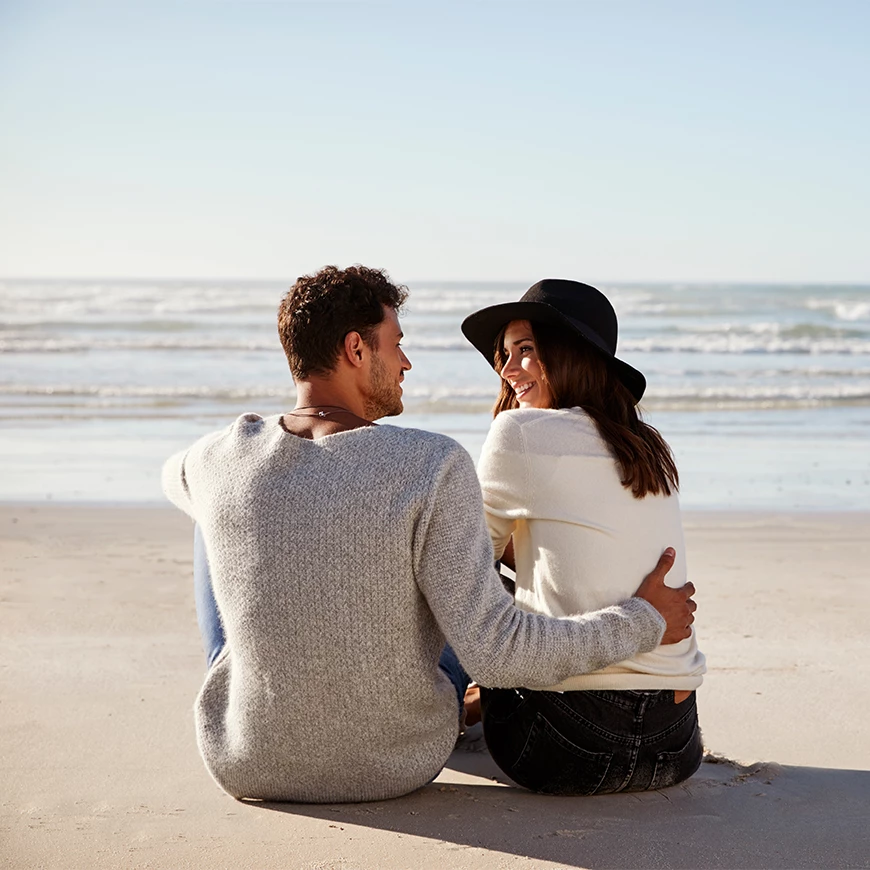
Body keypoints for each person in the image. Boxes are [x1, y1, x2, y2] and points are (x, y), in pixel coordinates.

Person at [162, 265, 696, 804]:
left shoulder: (215, 457)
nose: (406, 362)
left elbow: (172, 477)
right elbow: (493, 647)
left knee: (213, 512)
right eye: (397, 344)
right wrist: (643, 619)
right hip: (396, 761)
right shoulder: (431, 462)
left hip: (249, 759)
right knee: (467, 577)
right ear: (356, 349)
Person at [461, 278, 706, 795]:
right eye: (505, 355)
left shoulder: (520, 433)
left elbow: (459, 563)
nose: (506, 370)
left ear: (567, 354)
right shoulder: (647, 445)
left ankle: (439, 704)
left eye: (524, 351)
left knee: (462, 584)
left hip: (566, 746)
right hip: (676, 743)